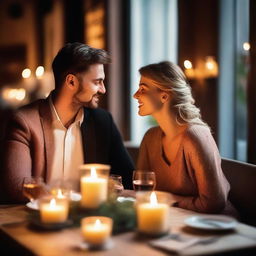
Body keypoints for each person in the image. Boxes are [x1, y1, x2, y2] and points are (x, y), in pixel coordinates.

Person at [1, 43, 134, 202]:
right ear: (71, 82)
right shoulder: (24, 121)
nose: (103, 89)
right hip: (39, 220)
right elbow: (16, 187)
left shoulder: (103, 122)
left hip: (92, 221)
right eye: (97, 82)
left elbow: (127, 181)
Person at [133, 61, 237, 215]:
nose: (135, 95)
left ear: (164, 96)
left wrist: (167, 198)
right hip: (174, 219)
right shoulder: (150, 138)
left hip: (215, 225)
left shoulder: (195, 136)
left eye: (143, 89)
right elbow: (144, 195)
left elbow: (213, 204)